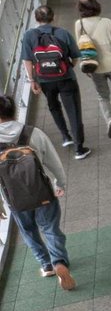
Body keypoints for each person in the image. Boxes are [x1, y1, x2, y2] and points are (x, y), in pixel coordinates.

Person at [0, 94, 75, 290]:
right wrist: (60, 183)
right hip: (42, 191)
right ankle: (59, 262)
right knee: (51, 228)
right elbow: (53, 161)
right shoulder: (33, 133)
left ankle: (46, 264)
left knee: (28, 231)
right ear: (14, 111)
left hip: (14, 197)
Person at [20, 6, 89, 160]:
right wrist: (68, 67)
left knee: (53, 106)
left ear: (36, 19)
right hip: (66, 78)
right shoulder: (63, 33)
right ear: (53, 17)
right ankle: (79, 149)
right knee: (74, 111)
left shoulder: (29, 35)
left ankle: (65, 136)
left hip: (44, 80)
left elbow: (28, 60)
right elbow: (76, 56)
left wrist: (32, 80)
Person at [74, 0, 111, 139]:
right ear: (96, 5)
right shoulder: (107, 22)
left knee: (102, 96)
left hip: (95, 65)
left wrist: (85, 63)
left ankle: (110, 120)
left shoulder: (78, 24)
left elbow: (80, 45)